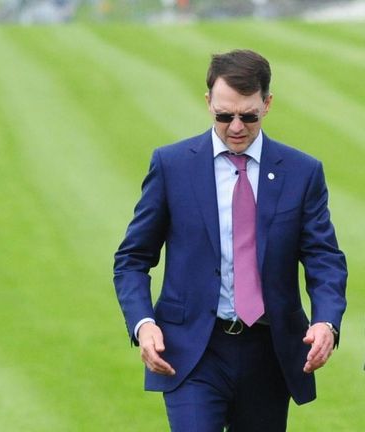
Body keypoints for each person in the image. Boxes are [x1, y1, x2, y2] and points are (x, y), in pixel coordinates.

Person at [113, 49, 346, 431]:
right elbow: (132, 259)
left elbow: (324, 259)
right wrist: (143, 323)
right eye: (224, 116)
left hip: (269, 353)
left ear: (267, 104)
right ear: (208, 103)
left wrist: (326, 323)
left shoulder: (302, 173)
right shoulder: (173, 166)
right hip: (192, 352)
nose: (235, 126)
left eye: (248, 116)